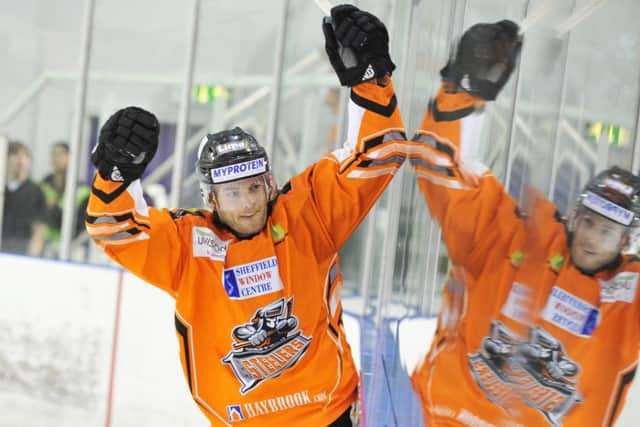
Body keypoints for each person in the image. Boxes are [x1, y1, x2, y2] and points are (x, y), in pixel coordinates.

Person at [86, 5, 406, 426]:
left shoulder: (307, 216)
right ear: (211, 199)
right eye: (232, 192)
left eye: (254, 187)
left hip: (330, 417)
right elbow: (117, 229)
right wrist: (115, 175)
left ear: (270, 183)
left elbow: (378, 154)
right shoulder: (188, 245)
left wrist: (369, 79)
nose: (249, 201)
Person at [409, 20, 640, 426]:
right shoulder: (517, 236)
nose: (589, 237)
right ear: (575, 214)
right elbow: (442, 172)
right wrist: (460, 93)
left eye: (607, 231)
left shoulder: (626, 295)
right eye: (587, 222)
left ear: (626, 242)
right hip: (439, 416)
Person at [39, 142, 90, 257]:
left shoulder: (83, 191)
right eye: (54, 154)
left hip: (70, 248)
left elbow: (78, 228)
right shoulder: (43, 185)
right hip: (42, 245)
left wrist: (53, 208)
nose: (57, 158)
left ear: (71, 158)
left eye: (61, 154)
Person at [1, 141, 47, 256]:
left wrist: (32, 254)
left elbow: (39, 227)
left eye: (25, 157)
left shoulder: (36, 191)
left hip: (22, 251)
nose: (20, 161)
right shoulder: (2, 188)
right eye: (15, 156)